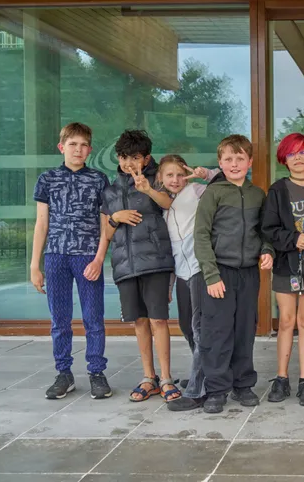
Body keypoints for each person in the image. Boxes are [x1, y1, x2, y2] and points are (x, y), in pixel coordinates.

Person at [193, 134, 274, 414]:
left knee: (244, 330)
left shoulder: (257, 194)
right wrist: (211, 275)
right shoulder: (213, 193)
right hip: (220, 273)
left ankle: (243, 384)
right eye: (228, 159)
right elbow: (201, 236)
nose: (234, 163)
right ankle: (216, 388)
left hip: (248, 273)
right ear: (220, 162)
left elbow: (265, 231)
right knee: (218, 332)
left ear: (250, 162)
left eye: (240, 158)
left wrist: (267, 250)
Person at [31, 122, 112, 400]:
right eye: (73, 144)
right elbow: (41, 223)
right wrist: (35, 265)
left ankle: (96, 372)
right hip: (56, 257)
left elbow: (105, 223)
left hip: (88, 256)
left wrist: (100, 258)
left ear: (90, 149)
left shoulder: (99, 179)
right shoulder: (47, 179)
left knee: (93, 317)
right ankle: (64, 372)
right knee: (60, 319)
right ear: (61, 146)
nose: (78, 149)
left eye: (83, 145)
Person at [102, 129, 180, 403]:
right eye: (124, 157)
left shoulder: (160, 178)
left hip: (157, 261)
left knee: (159, 319)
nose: (129, 163)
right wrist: (115, 217)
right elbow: (106, 232)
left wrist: (147, 189)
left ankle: (167, 378)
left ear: (146, 158)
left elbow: (171, 204)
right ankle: (149, 377)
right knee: (139, 321)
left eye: (135, 157)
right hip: (125, 265)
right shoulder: (110, 189)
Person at [261, 133, 304, 406]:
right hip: (287, 263)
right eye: (291, 153)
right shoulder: (278, 190)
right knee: (287, 321)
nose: (298, 158)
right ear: (284, 159)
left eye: (302, 152)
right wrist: (293, 239)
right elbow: (268, 228)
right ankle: (281, 379)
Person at [153, 154, 220, 412]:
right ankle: (201, 370)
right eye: (169, 175)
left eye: (180, 174)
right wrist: (169, 284)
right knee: (186, 326)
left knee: (199, 327)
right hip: (181, 273)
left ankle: (198, 388)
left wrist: (206, 173)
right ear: (160, 177)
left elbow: (227, 181)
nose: (175, 179)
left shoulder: (196, 190)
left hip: (199, 269)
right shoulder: (163, 205)